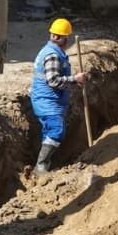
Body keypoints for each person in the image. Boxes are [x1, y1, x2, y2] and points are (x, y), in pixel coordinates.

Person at [29, 17, 87, 174]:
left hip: (48, 98)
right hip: (46, 100)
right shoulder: (53, 55)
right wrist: (74, 79)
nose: (67, 40)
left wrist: (74, 82)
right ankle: (40, 167)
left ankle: (42, 165)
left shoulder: (52, 51)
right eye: (65, 37)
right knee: (56, 130)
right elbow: (53, 80)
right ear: (60, 37)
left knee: (50, 131)